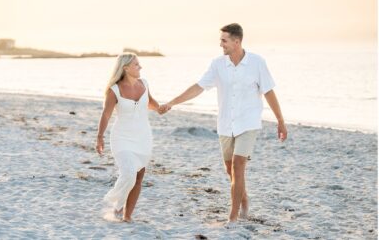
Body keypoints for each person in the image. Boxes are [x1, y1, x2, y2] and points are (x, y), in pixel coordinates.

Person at [159, 23, 288, 228]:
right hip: (226, 125)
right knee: (230, 171)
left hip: (248, 123)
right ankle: (244, 200)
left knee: (238, 166)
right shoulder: (217, 64)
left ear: (237, 41)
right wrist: (172, 102)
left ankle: (233, 217)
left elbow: (269, 92)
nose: (221, 44)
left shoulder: (257, 63)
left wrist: (280, 121)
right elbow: (198, 87)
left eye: (224, 40)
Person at [96, 52, 161, 223]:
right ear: (125, 68)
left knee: (139, 177)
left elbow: (150, 102)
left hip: (143, 137)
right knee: (129, 173)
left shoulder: (144, 84)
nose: (140, 67)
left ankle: (127, 216)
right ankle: (116, 205)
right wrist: (99, 137)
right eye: (136, 64)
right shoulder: (114, 90)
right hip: (122, 139)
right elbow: (106, 115)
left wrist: (160, 108)